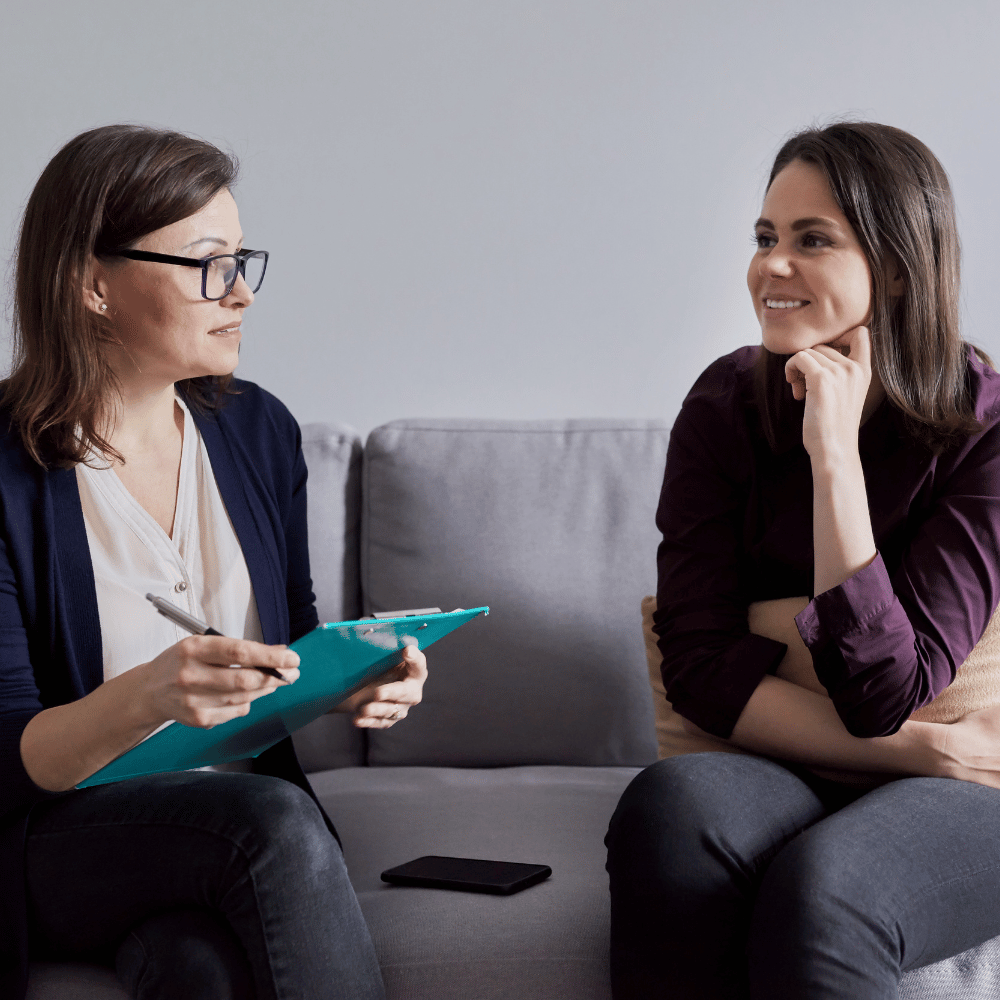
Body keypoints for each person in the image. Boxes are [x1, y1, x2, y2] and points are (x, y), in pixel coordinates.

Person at [0, 124, 429, 1000]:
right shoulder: (5, 469)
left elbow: (296, 635)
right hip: (57, 835)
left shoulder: (257, 429)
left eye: (244, 261)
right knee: (264, 820)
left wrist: (356, 673)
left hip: (209, 841)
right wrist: (148, 696)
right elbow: (8, 754)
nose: (240, 294)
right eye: (208, 264)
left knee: (197, 969)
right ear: (91, 283)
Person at [605, 121, 1000, 999]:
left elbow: (885, 689)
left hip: (974, 802)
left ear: (896, 267)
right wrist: (927, 754)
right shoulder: (721, 405)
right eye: (764, 238)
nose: (770, 268)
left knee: (828, 890)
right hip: (823, 768)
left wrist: (835, 457)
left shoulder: (985, 428)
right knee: (667, 815)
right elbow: (700, 666)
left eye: (811, 240)